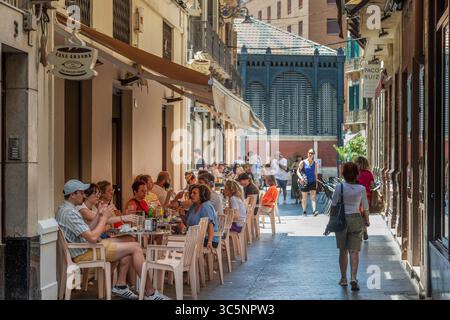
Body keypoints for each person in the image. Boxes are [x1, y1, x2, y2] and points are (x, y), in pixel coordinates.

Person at [56, 179, 169, 300]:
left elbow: (87, 230)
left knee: (130, 241)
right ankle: (150, 292)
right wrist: (104, 218)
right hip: (85, 251)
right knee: (135, 247)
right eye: (81, 192)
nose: (84, 195)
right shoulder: (70, 212)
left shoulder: (65, 209)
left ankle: (120, 285)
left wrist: (99, 214)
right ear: (72, 195)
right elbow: (93, 237)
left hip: (86, 247)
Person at [332, 163, 370, 291]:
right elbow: (365, 208)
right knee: (354, 251)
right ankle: (353, 278)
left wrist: (332, 221)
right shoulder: (361, 188)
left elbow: (333, 205)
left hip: (342, 220)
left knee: (343, 251)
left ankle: (343, 279)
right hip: (356, 219)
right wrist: (367, 221)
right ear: (356, 174)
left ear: (343, 174)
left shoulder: (339, 187)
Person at [179, 185, 220, 249]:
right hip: (196, 237)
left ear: (202, 195)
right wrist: (182, 215)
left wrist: (209, 242)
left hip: (207, 239)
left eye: (194, 193)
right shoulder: (193, 206)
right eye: (191, 193)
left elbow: (210, 226)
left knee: (176, 243)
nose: (191, 195)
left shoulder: (206, 207)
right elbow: (188, 224)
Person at [354, 156, 374, 241]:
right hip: (367, 194)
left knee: (358, 213)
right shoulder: (369, 173)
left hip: (357, 195)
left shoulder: (356, 174)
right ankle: (365, 227)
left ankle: (360, 230)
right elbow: (372, 185)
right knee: (365, 211)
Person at [298, 149, 319, 217]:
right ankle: (304, 211)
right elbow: (298, 171)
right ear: (307, 153)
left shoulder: (315, 163)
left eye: (312, 153)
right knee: (304, 198)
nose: (310, 154)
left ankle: (314, 211)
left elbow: (315, 173)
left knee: (313, 197)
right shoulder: (303, 162)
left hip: (312, 181)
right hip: (304, 182)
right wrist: (301, 178)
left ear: (313, 155)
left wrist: (316, 182)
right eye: (309, 153)